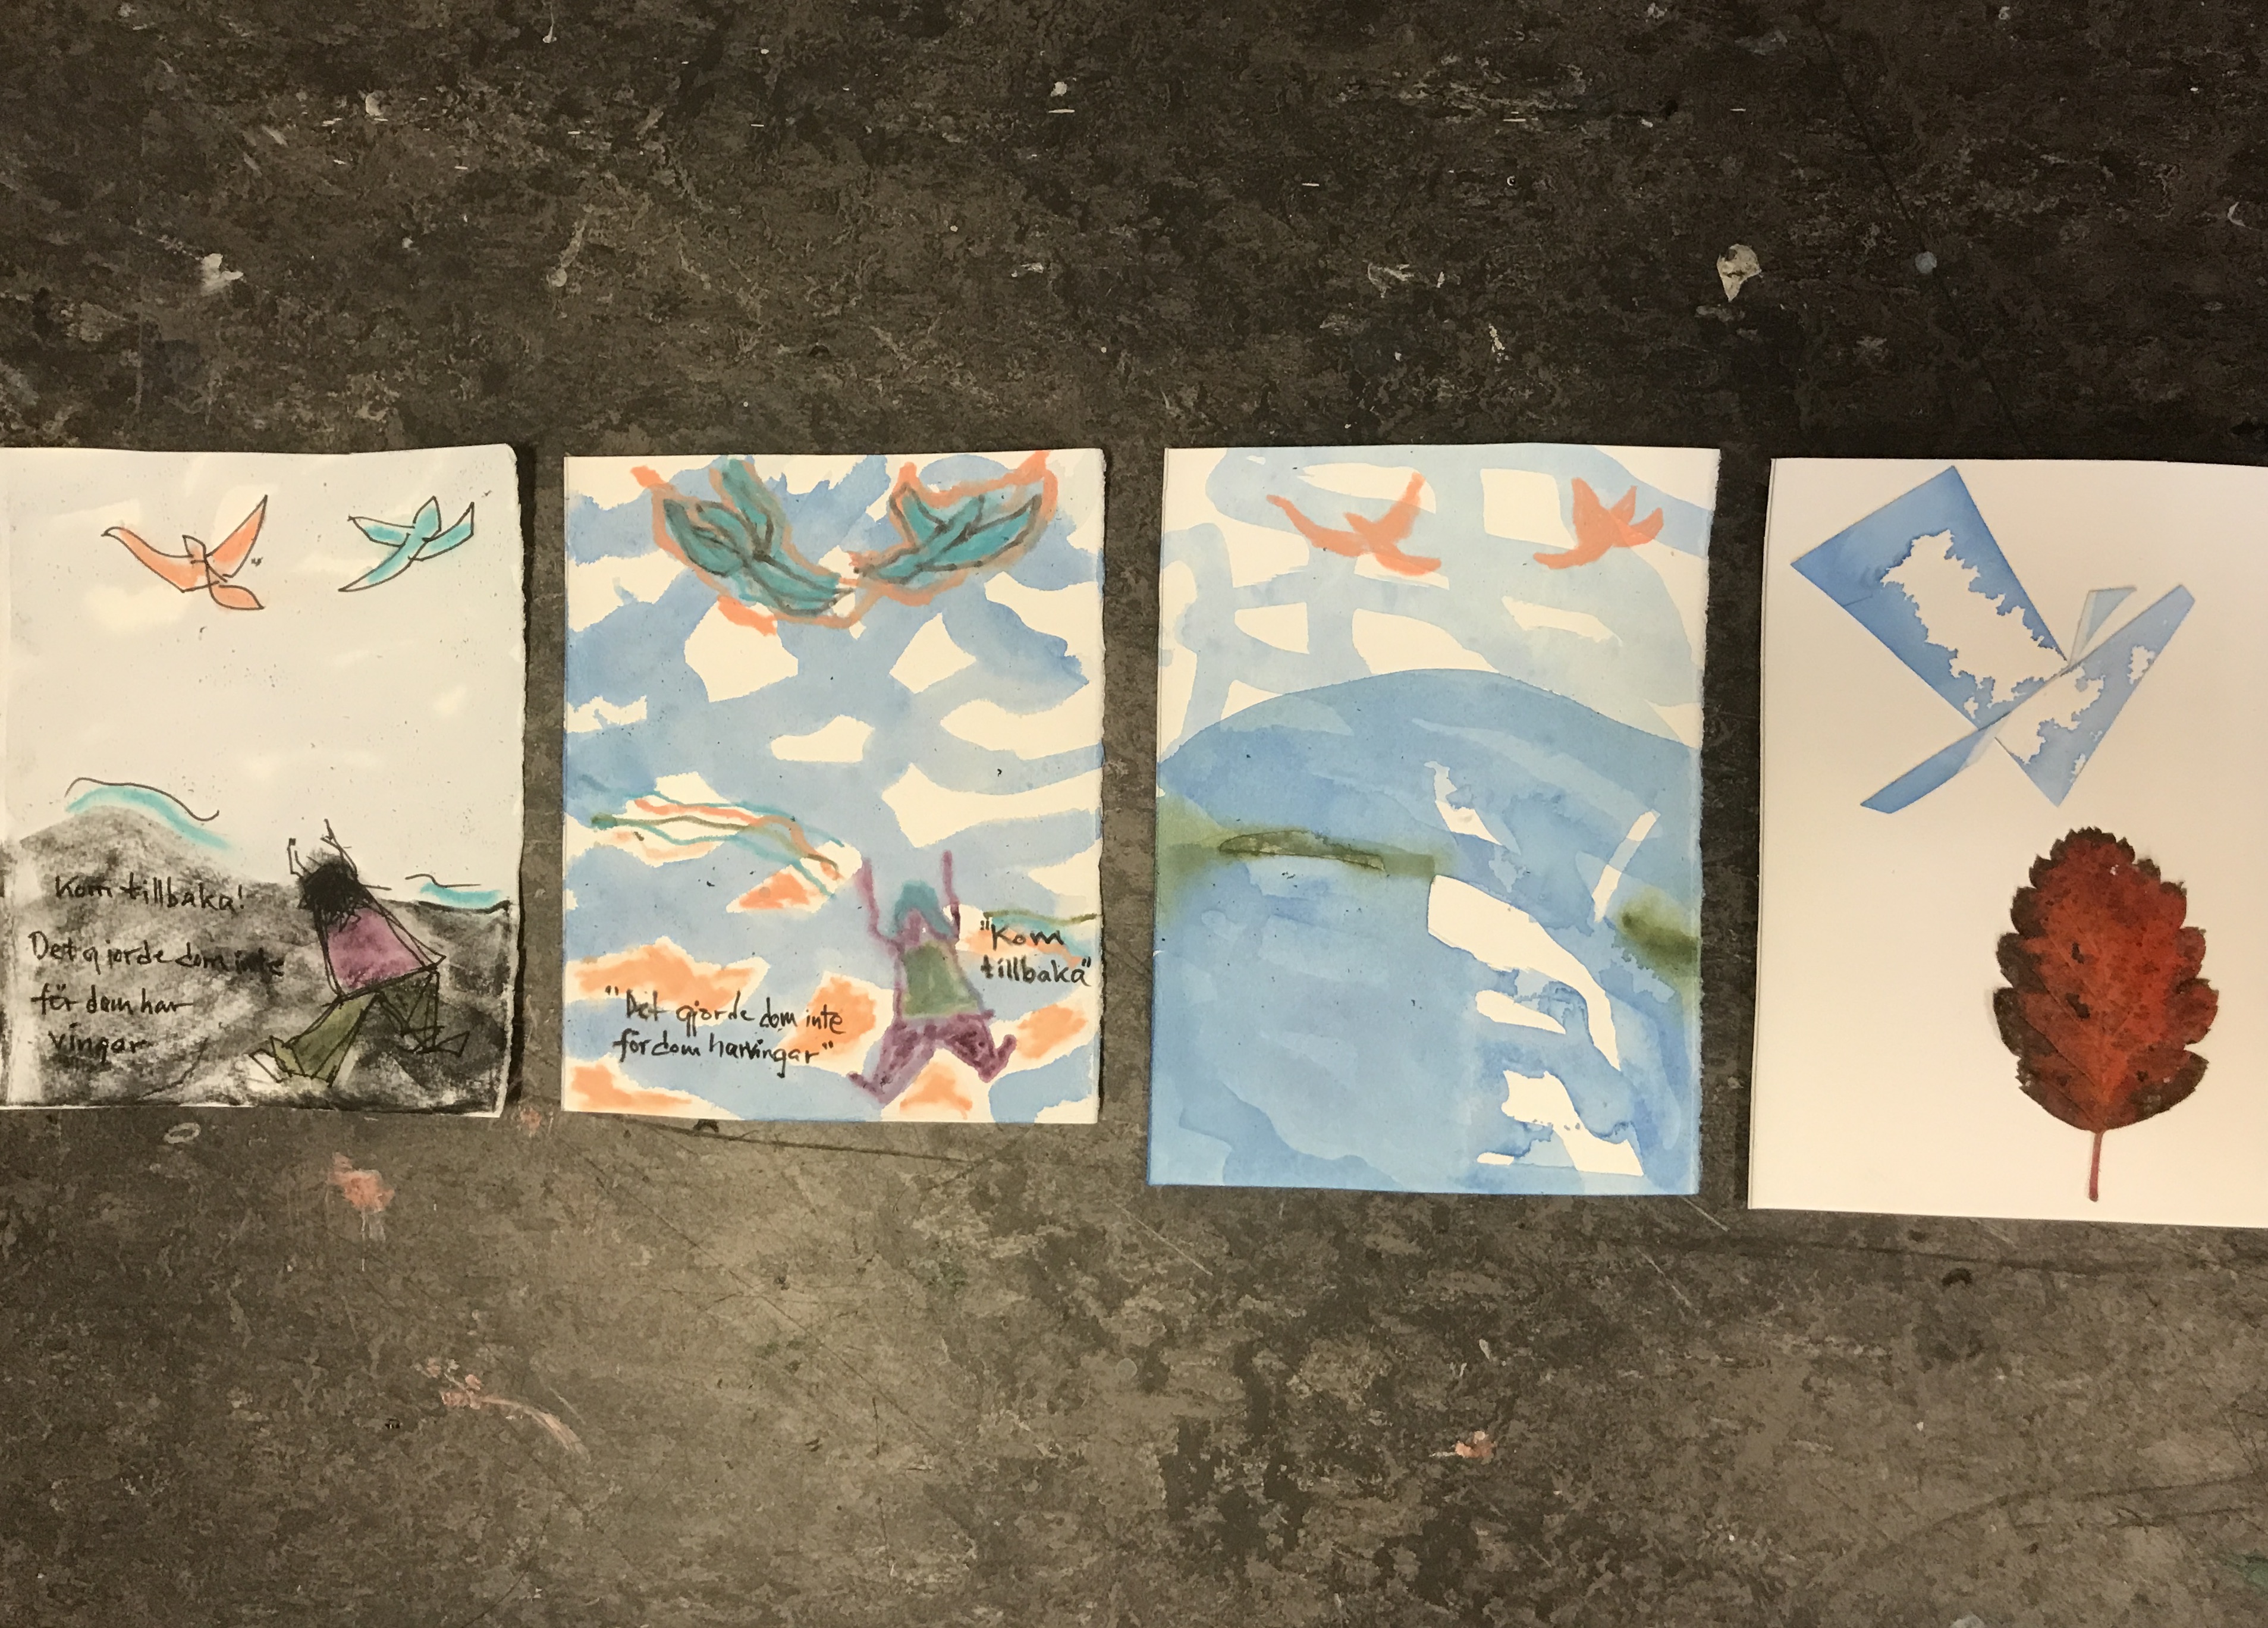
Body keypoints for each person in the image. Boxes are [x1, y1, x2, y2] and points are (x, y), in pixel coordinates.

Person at [253, 830, 463, 1084]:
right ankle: (307, 1061)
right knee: (352, 1005)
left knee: (351, 1008)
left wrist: (360, 987)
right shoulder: (357, 918)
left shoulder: (358, 922)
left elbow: (373, 969)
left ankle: (304, 1061)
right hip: (401, 981)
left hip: (403, 982)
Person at [849, 852, 1014, 1104]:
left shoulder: (942, 939)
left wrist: (947, 877)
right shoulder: (903, 947)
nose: (914, 926)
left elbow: (954, 909)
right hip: (919, 1015)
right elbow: (874, 930)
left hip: (952, 1009)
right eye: (908, 921)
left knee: (970, 1034)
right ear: (901, 923)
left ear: (928, 920)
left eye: (919, 920)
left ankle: (990, 1062)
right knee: (897, 1043)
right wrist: (868, 895)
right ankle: (879, 1081)